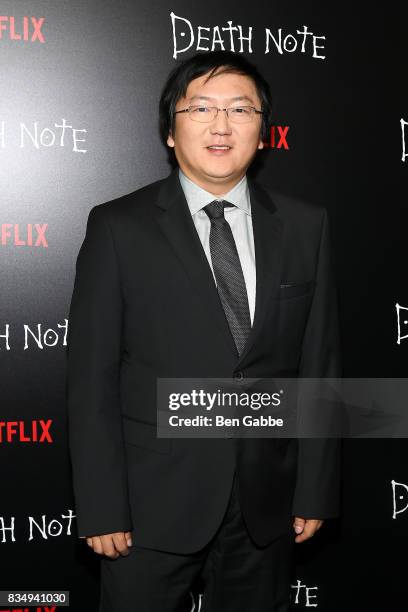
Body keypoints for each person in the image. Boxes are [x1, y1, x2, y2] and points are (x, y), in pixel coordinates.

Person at [66, 50, 342, 612]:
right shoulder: (118, 227)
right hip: (149, 503)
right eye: (201, 109)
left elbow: (320, 367)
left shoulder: (305, 226)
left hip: (266, 504)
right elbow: (92, 379)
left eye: (241, 109)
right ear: (171, 129)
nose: (221, 125)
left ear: (263, 131)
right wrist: (101, 505)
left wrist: (315, 487)